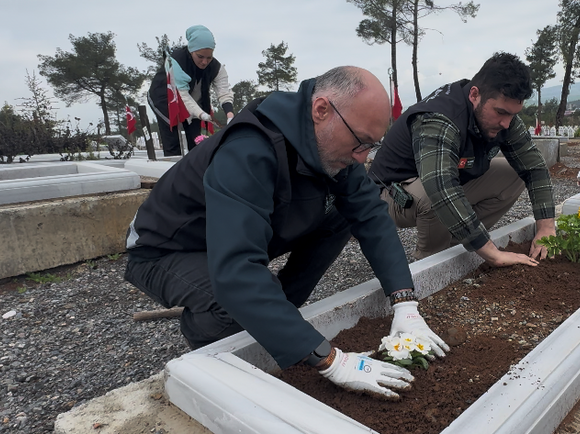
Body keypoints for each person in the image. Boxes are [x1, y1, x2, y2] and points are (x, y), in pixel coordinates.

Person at [126, 66, 448, 399]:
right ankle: (212, 343)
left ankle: (279, 314)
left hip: (225, 238)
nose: (362, 157)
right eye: (360, 142)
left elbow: (371, 216)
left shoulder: (330, 146)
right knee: (229, 301)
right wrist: (331, 360)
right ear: (321, 110)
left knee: (341, 214)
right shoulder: (250, 149)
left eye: (371, 145)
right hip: (166, 249)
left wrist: (404, 303)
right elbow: (236, 271)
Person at [368, 52, 556, 266]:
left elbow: (535, 168)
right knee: (435, 195)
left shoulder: (504, 119)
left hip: (436, 184)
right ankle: (430, 264)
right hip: (391, 195)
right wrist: (494, 254)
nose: (506, 123)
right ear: (475, 95)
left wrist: (546, 227)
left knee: (513, 174)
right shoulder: (439, 118)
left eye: (513, 114)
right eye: (501, 112)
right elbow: (440, 187)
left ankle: (456, 244)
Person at [147, 25, 235, 156]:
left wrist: (229, 114)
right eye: (200, 57)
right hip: (166, 98)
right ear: (191, 51)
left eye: (209, 57)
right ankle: (173, 171)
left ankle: (196, 171)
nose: (205, 62)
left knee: (196, 142)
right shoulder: (176, 61)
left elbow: (224, 93)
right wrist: (203, 115)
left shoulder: (216, 67)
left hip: (194, 103)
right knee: (173, 141)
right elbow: (183, 96)